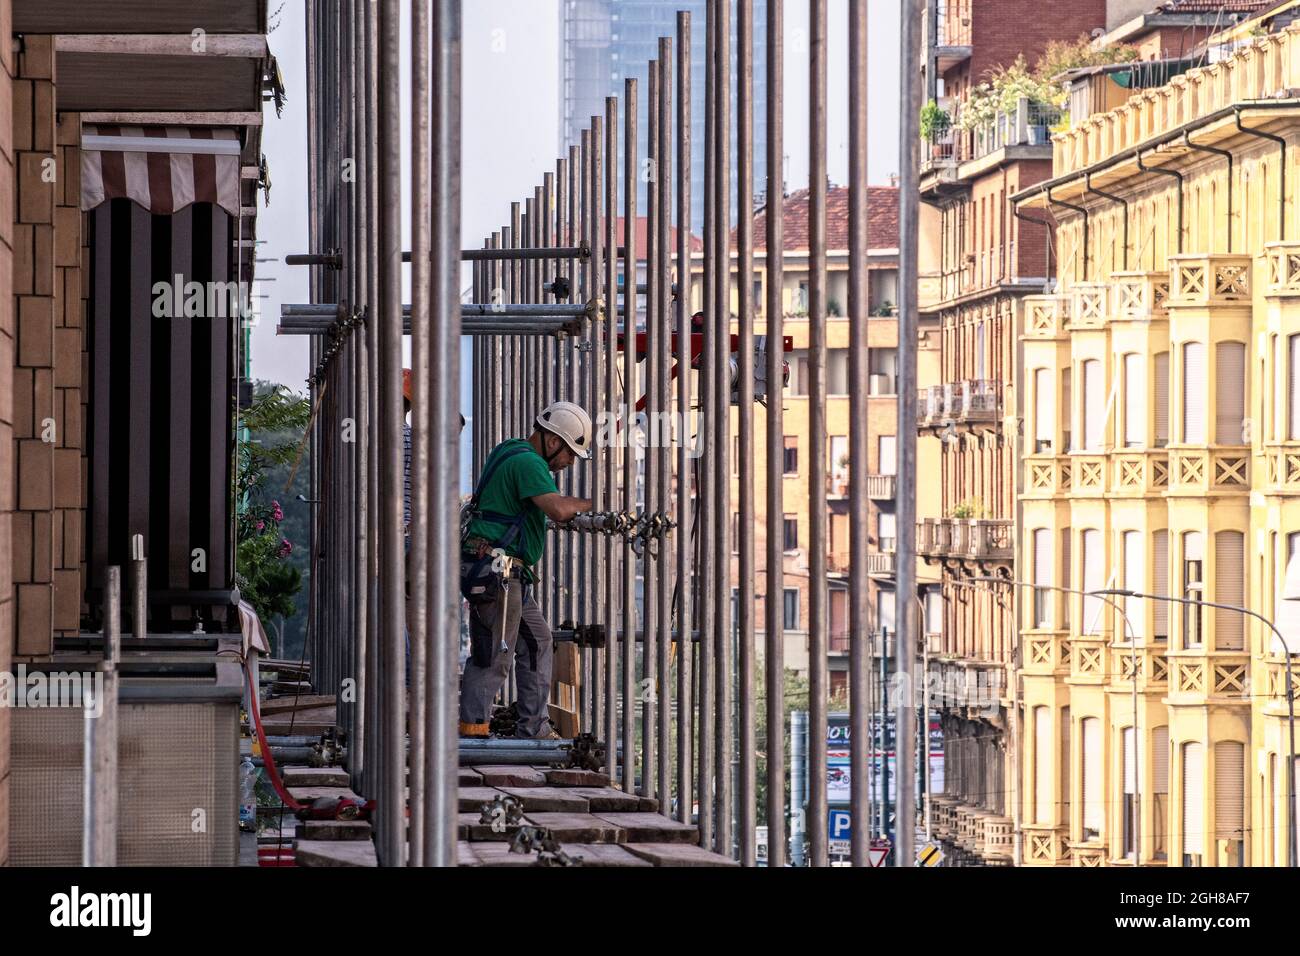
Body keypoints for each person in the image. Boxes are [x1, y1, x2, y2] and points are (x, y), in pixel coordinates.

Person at [459, 401, 593, 739]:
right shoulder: (529, 463)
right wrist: (592, 505)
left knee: (538, 641)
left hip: (503, 573)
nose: (569, 463)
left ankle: (533, 729)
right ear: (552, 442)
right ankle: (472, 732)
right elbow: (559, 510)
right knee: (494, 655)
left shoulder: (510, 449)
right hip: (499, 574)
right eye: (570, 453)